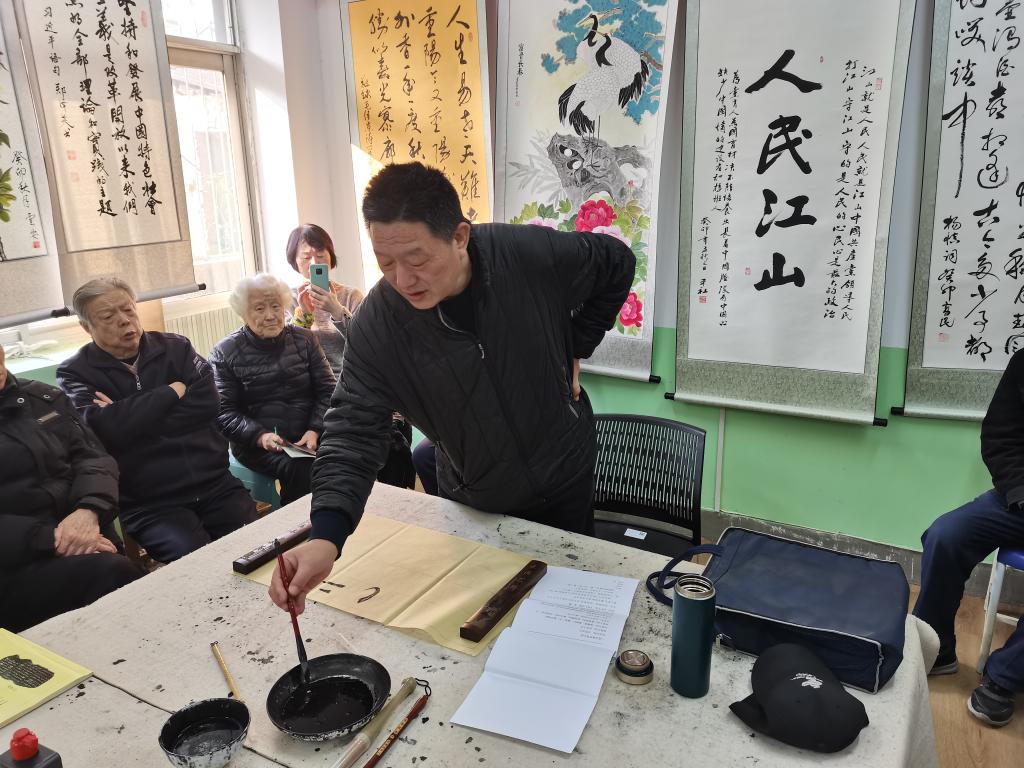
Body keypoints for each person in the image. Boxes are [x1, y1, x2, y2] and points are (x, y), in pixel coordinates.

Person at [270, 162, 635, 613]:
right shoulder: (380, 326)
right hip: (478, 497)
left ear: (459, 236)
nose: (403, 280)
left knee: (571, 609)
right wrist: (326, 535)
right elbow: (351, 431)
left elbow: (617, 263)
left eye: (417, 259)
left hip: (565, 470)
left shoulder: (524, 254)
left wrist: (577, 344)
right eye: (386, 262)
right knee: (485, 618)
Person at [57, 278, 257, 563]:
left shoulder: (176, 348)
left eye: (128, 309)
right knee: (198, 563)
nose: (124, 320)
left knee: (256, 549)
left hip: (215, 484)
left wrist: (128, 418)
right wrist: (170, 392)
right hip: (150, 503)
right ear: (86, 327)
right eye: (108, 316)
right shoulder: (75, 372)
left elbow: (207, 405)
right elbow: (103, 429)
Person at [913, 349, 1024, 727]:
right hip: (1017, 499)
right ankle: (937, 648)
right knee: (946, 535)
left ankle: (1005, 677)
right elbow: (1001, 436)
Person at [0, 344, 142, 632]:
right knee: (115, 575)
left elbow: (94, 458)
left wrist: (88, 511)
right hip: (16, 561)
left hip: (84, 533)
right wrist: (52, 539)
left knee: (130, 588)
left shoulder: (43, 397)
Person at [285, 223, 416, 489]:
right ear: (294, 261)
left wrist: (336, 310)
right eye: (306, 257)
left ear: (331, 258)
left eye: (320, 256)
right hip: (316, 391)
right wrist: (304, 315)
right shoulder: (289, 300)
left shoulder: (350, 296)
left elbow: (372, 345)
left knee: (390, 437)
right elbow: (289, 353)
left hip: (357, 382)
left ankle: (396, 497)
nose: (314, 263)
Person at [209, 274, 336, 506]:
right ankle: (299, 526)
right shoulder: (225, 352)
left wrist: (315, 429)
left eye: (276, 306)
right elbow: (223, 412)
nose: (270, 315)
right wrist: (260, 436)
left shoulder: (305, 340)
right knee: (302, 468)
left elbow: (328, 390)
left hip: (311, 435)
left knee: (362, 445)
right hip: (258, 444)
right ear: (243, 313)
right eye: (259, 308)